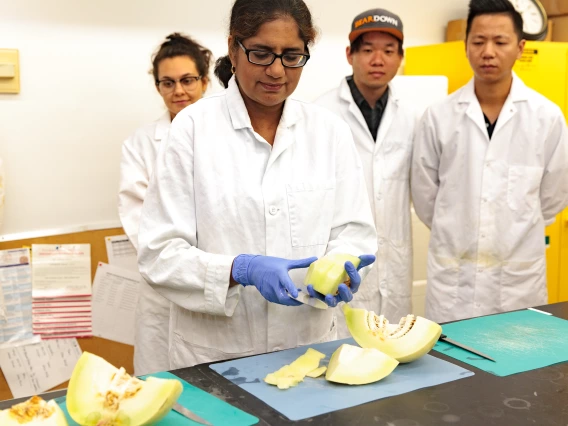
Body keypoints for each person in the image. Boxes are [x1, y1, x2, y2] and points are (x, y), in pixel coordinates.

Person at [137, 0, 377, 369]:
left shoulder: (329, 132)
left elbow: (354, 232)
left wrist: (343, 268)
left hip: (308, 346)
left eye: (292, 56)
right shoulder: (192, 129)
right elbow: (159, 254)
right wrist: (239, 269)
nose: (277, 70)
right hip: (217, 354)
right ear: (234, 48)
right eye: (262, 54)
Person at [411, 0, 568, 323]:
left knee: (520, 369)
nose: (488, 52)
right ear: (466, 45)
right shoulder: (438, 117)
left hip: (518, 280)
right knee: (453, 367)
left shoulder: (546, 117)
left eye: (500, 41)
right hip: (454, 282)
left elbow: (554, 196)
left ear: (520, 47)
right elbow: (426, 197)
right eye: (479, 41)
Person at [315, 8, 416, 334]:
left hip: (395, 262)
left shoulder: (411, 116)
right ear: (350, 55)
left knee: (395, 351)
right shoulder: (321, 114)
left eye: (388, 51)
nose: (378, 59)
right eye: (368, 49)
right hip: (339, 257)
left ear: (400, 58)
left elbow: (424, 189)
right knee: (339, 352)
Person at [118, 33, 212, 375]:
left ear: (205, 81)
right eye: (168, 82)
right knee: (159, 386)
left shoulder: (228, 137)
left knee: (218, 389)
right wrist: (183, 262)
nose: (179, 91)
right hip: (163, 290)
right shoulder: (140, 145)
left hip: (217, 285)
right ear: (158, 87)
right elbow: (138, 218)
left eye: (188, 80)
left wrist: (208, 265)